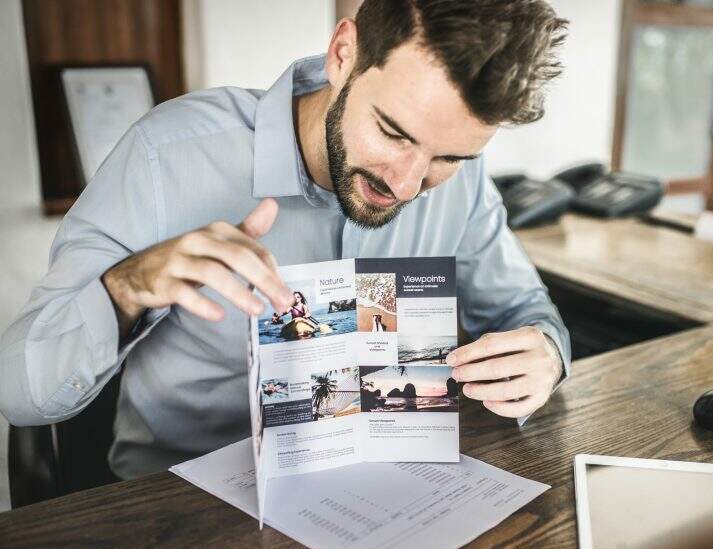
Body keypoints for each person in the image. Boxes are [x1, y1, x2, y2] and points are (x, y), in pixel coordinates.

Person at [0, 0, 571, 479]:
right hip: (187, 506)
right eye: (393, 132)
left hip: (389, 486)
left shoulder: (463, 185)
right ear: (343, 55)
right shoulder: (165, 156)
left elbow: (526, 310)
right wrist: (126, 288)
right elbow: (20, 395)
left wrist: (544, 354)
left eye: (448, 156)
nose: (406, 183)